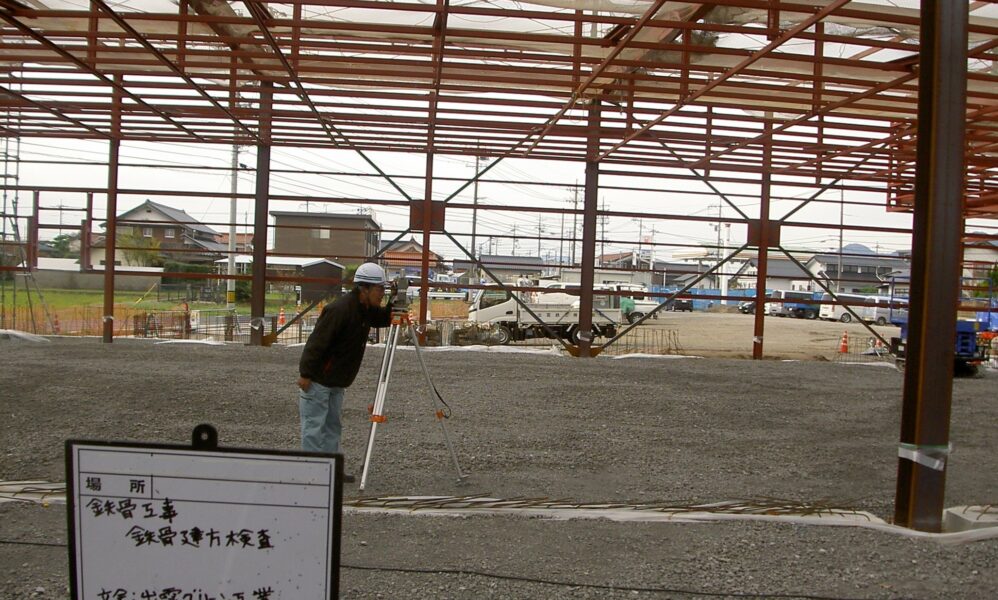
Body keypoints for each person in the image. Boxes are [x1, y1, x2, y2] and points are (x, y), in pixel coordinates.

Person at [297, 262, 395, 481]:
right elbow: (316, 343)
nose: (382, 294)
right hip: (319, 379)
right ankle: (312, 474)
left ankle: (332, 470)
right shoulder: (340, 310)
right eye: (380, 289)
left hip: (337, 381)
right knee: (314, 428)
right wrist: (306, 374)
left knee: (332, 426)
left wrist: (393, 305)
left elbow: (383, 318)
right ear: (365, 288)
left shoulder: (364, 310)